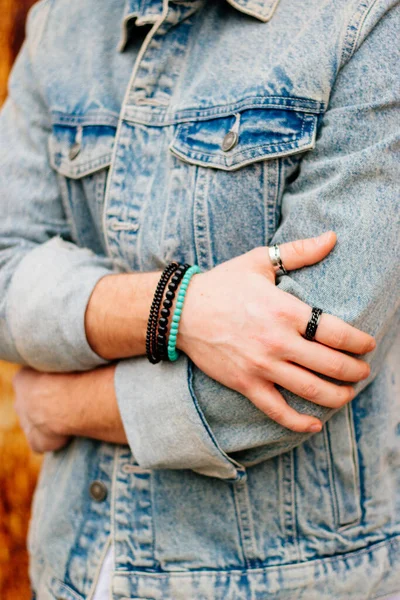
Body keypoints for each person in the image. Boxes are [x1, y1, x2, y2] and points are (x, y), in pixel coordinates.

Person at [1, 0, 399, 598]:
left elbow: (311, 366)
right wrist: (179, 308)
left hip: (282, 581)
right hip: (76, 569)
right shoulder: (65, 21)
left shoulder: (368, 21)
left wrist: (65, 404)